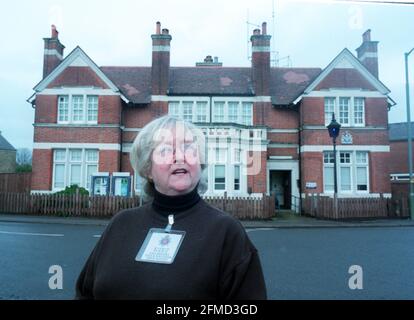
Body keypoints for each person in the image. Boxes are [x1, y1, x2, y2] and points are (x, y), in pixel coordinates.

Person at [75, 115, 267, 300]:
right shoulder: (120, 224)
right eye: (166, 150)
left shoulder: (226, 232)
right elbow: (85, 293)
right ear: (147, 169)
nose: (180, 157)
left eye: (189, 149)